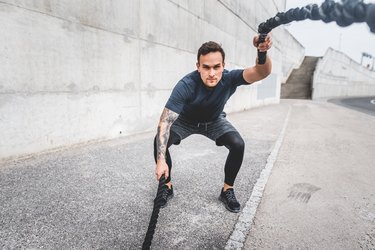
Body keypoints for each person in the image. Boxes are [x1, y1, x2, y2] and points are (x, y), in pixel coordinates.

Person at [153, 34, 272, 213]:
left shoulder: (230, 78)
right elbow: (165, 122)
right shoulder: (186, 84)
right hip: (186, 121)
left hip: (214, 120)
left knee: (238, 144)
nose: (212, 73)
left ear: (224, 65)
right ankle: (166, 187)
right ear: (198, 67)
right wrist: (161, 160)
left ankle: (227, 190)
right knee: (160, 140)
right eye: (206, 67)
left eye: (217, 67)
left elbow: (262, 72)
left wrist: (262, 52)